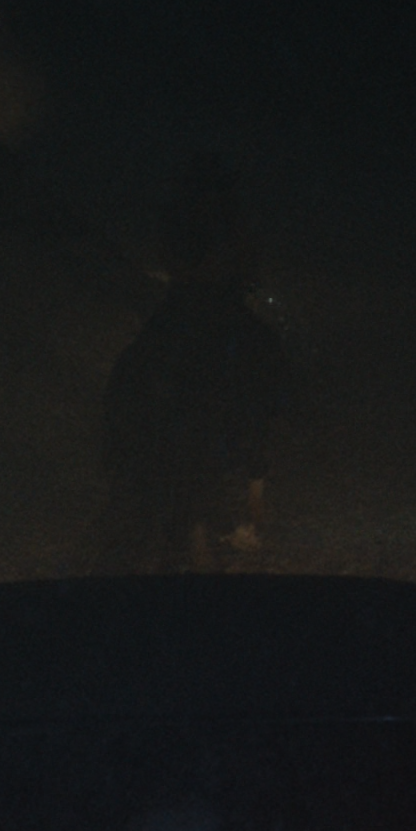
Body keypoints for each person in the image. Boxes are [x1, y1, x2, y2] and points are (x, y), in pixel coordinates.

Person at [106, 157, 285, 570]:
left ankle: (247, 479)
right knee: (259, 360)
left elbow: (223, 260)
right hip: (208, 298)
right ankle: (246, 479)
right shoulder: (216, 218)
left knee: (144, 358)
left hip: (192, 299)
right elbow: (236, 260)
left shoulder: (195, 216)